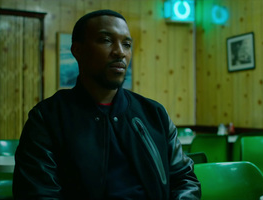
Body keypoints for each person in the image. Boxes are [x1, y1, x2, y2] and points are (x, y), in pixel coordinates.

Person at [13, 9, 201, 199]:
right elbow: (38, 193)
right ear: (78, 50)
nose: (120, 52)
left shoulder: (154, 114)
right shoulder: (48, 117)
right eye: (106, 40)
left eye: (126, 44)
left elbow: (185, 179)